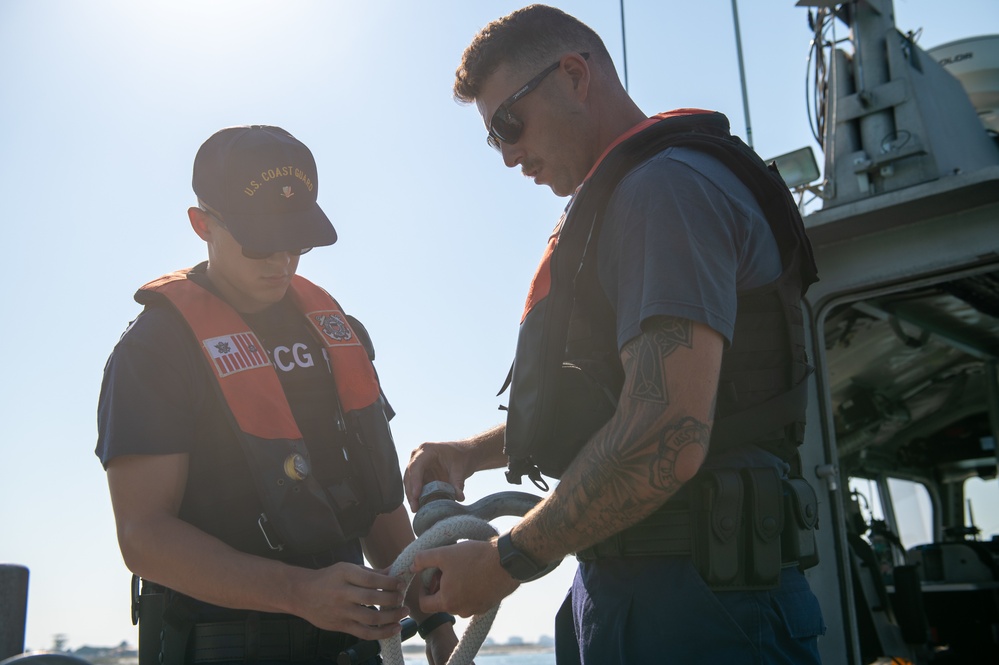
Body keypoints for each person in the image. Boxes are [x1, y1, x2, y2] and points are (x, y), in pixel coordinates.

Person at [404, 5, 826, 663]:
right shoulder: (639, 197)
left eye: (508, 124)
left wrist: (505, 558)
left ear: (573, 75)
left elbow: (666, 430)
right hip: (631, 586)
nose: (508, 154)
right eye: (493, 139)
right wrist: (471, 452)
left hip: (698, 603)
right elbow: (626, 395)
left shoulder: (664, 192)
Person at [97, 125, 458, 665]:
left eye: (296, 240)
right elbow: (143, 537)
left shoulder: (338, 333)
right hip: (221, 644)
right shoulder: (154, 350)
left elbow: (375, 500)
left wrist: (435, 623)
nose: (281, 261)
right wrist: (299, 594)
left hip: (352, 644)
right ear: (202, 225)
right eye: (260, 240)